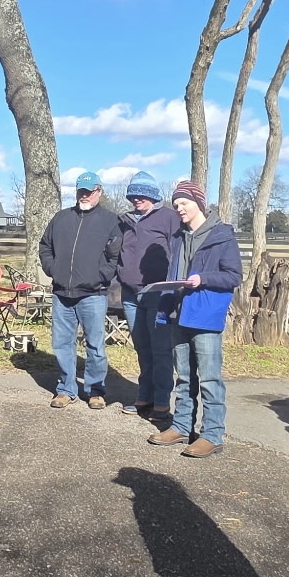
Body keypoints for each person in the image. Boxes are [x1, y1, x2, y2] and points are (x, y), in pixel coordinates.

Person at [147, 181, 241, 457]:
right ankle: (181, 426)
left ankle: (212, 434)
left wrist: (203, 279)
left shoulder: (222, 236)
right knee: (185, 377)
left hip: (205, 315)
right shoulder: (178, 237)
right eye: (176, 205)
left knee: (210, 378)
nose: (179, 209)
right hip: (178, 311)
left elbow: (234, 276)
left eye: (183, 203)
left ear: (199, 203)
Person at [39, 170, 123, 410]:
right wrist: (53, 269)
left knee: (95, 344)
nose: (84, 196)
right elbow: (45, 246)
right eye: (81, 191)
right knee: (62, 343)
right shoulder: (61, 218)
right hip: (61, 293)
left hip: (93, 295)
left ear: (99, 192)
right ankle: (66, 388)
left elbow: (115, 255)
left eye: (89, 191)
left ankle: (95, 390)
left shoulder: (110, 221)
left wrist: (100, 276)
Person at [116, 171, 181, 420]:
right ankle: (144, 395)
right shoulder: (126, 220)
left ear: (152, 195)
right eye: (133, 195)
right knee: (142, 347)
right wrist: (118, 276)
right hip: (130, 294)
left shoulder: (168, 218)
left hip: (158, 293)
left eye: (141, 195)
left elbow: (178, 252)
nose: (136, 199)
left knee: (161, 348)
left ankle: (162, 401)